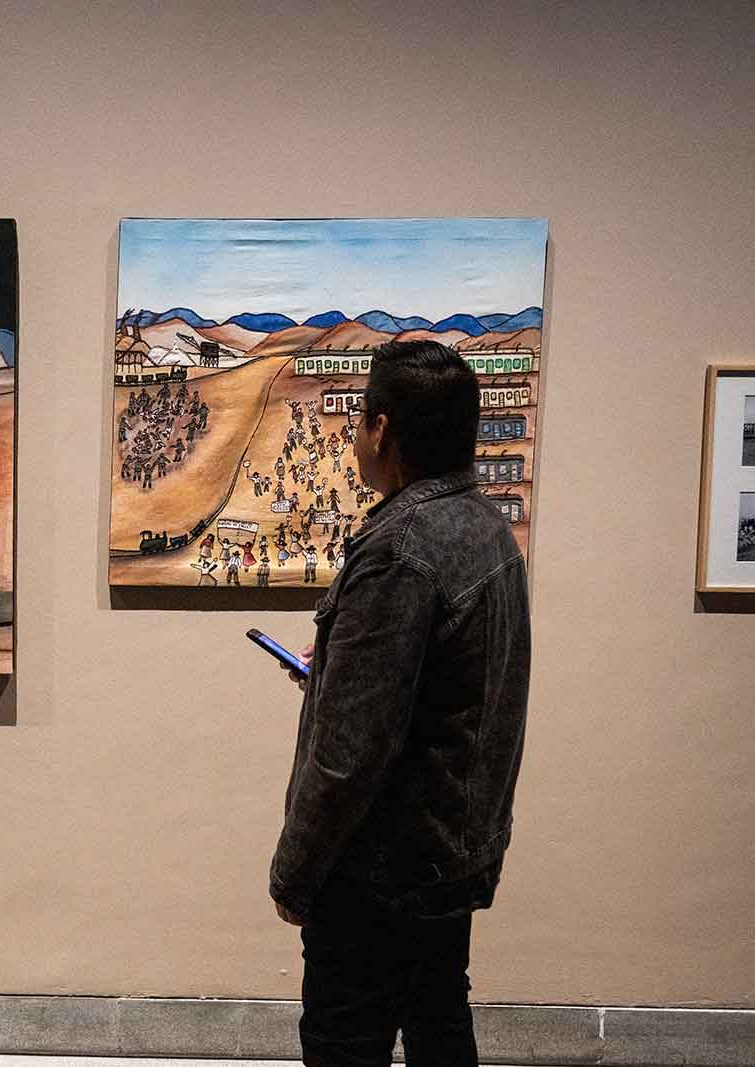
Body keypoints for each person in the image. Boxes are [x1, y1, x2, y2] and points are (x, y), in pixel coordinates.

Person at [269, 341, 530, 1067]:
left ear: (381, 429)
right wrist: (338, 667)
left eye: (360, 420)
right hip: (445, 857)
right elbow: (449, 690)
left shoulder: (399, 552)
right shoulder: (485, 529)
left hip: (380, 874)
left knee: (345, 1045)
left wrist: (295, 872)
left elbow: (350, 754)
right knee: (439, 1026)